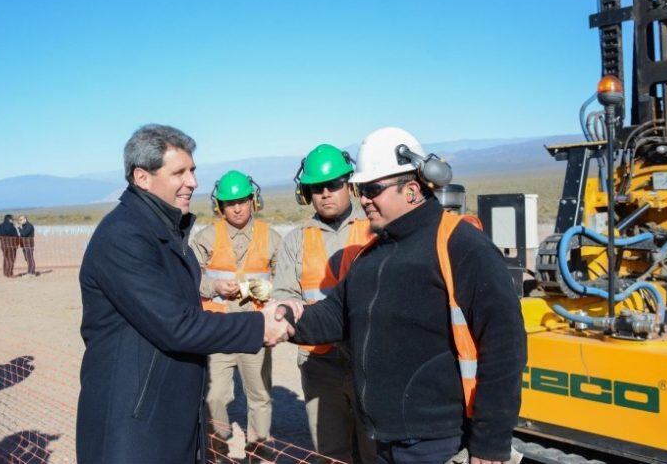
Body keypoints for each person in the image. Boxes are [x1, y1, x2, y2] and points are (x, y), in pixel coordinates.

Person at [288, 127, 527, 464]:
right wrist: (279, 320)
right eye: (360, 190)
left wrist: (490, 443)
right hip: (383, 440)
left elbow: (505, 347)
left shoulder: (460, 245)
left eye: (372, 189)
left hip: (438, 443)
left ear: (412, 189)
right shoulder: (370, 256)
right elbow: (333, 316)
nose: (364, 200)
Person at [76, 124, 295, 464]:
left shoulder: (164, 231)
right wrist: (259, 326)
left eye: (192, 170)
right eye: (179, 172)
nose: (192, 182)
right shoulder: (123, 237)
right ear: (142, 178)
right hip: (134, 428)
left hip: (165, 416)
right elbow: (177, 326)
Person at [272, 144, 375, 463]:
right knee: (331, 452)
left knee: (375, 450)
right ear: (306, 194)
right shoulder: (296, 240)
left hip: (369, 359)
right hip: (319, 363)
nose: (326, 193)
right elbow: (285, 295)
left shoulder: (375, 228)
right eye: (317, 188)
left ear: (351, 185)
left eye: (334, 185)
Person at [190, 170, 281, 460]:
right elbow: (187, 278)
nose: (238, 208)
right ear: (220, 207)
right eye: (230, 203)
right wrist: (213, 285)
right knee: (214, 396)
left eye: (242, 201)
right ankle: (219, 449)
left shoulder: (272, 238)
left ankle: (258, 451)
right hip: (217, 330)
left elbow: (288, 282)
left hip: (256, 330)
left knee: (259, 397)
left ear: (253, 201)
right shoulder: (205, 238)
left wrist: (270, 290)